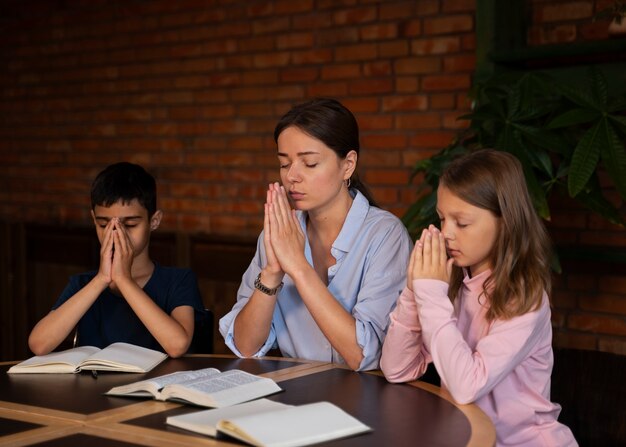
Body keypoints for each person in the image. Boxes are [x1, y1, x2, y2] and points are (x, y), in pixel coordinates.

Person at [380, 150, 577, 446]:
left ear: (505, 221)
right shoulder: (452, 282)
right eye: (442, 218)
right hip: (466, 437)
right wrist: (413, 290)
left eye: (462, 223)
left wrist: (431, 295)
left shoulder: (526, 297)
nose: (446, 233)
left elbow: (466, 386)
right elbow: (397, 369)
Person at [219, 98, 412, 371]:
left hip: (365, 399)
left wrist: (297, 267)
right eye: (285, 164)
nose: (292, 177)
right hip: (295, 393)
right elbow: (246, 347)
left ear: (348, 165)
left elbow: (363, 355)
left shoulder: (385, 236)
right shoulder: (277, 235)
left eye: (309, 164)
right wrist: (273, 272)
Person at [28, 162, 205, 358]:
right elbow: (39, 344)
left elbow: (177, 345)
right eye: (104, 224)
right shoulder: (83, 284)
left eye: (129, 224)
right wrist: (101, 279)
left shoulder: (178, 281)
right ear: (94, 220)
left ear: (153, 221)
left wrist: (124, 280)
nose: (115, 233)